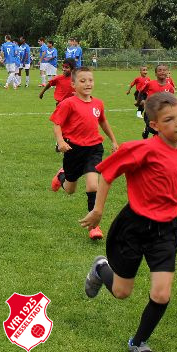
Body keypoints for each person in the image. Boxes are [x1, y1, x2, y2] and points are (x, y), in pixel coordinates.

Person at [80, 92, 177, 352]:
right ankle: (100, 268)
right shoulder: (141, 149)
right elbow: (107, 173)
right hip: (133, 227)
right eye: (169, 119)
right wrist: (98, 210)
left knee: (162, 295)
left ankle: (138, 342)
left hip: (165, 230)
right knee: (121, 292)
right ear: (154, 125)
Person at [50, 67, 119, 240]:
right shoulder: (68, 103)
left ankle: (94, 227)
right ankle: (61, 176)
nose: (88, 84)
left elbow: (103, 121)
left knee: (93, 186)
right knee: (70, 190)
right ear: (73, 85)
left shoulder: (98, 103)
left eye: (90, 80)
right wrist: (61, 142)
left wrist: (113, 140)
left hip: (94, 149)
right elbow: (57, 123)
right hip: (73, 150)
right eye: (83, 81)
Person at [139, 64, 176, 139]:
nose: (162, 72)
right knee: (153, 129)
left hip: (162, 113)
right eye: (160, 70)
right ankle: (147, 129)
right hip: (150, 112)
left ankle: (156, 141)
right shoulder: (150, 83)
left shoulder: (170, 87)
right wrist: (140, 101)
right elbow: (141, 92)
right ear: (155, 74)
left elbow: (171, 101)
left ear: (167, 73)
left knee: (160, 130)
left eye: (164, 70)